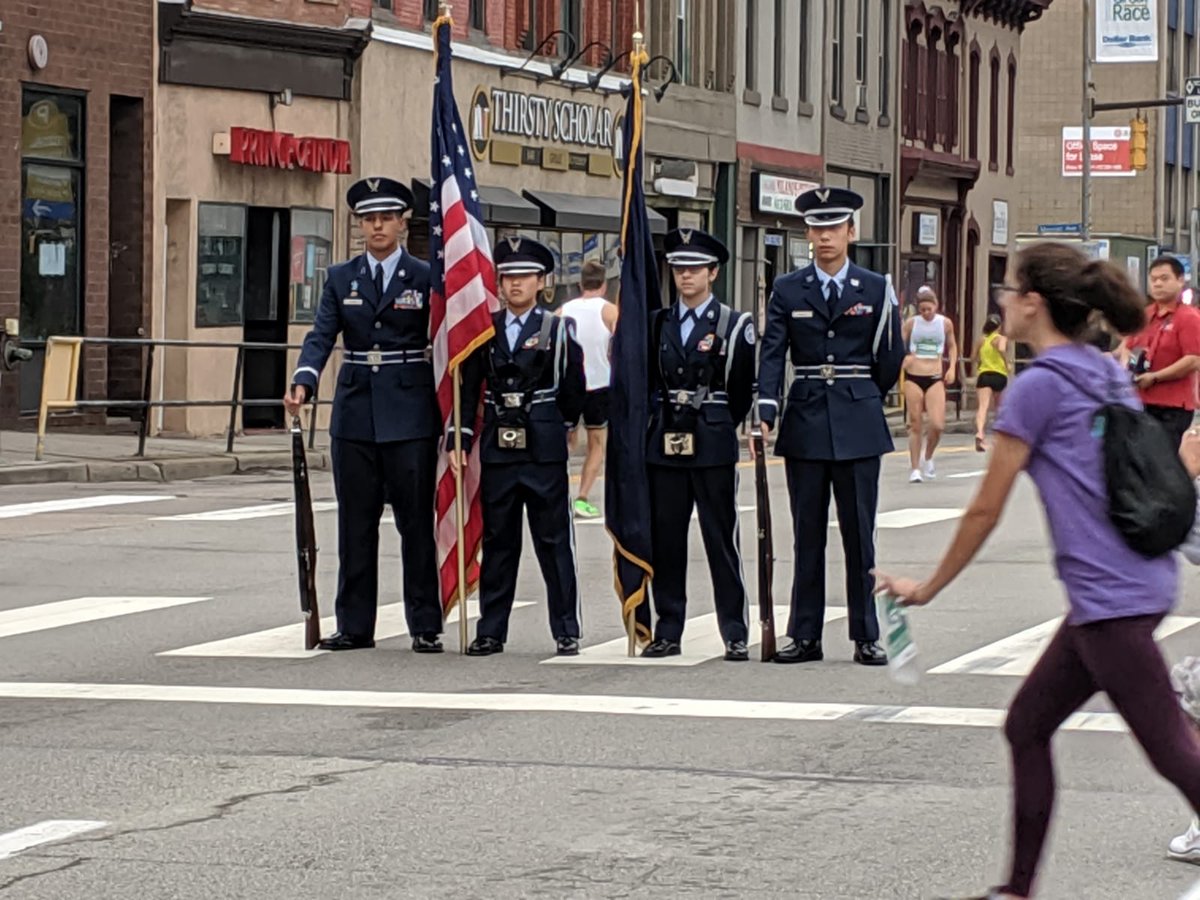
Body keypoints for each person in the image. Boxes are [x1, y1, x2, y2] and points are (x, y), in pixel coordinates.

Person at [876, 242, 1200, 900]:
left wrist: (928, 587)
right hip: (1125, 584)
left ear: (1033, 303)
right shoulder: (1101, 369)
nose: (1000, 300)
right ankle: (1016, 891)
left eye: (1008, 289)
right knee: (1027, 725)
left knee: (1173, 752)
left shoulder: (1039, 388)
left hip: (1114, 600)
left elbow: (984, 510)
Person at [285, 177, 444, 653]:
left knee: (415, 524)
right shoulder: (340, 278)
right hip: (355, 412)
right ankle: (354, 624)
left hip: (409, 410)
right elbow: (322, 333)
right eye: (368, 220)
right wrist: (305, 377)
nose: (377, 226)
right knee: (356, 523)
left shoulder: (425, 276)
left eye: (385, 218)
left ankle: (425, 623)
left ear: (401, 223)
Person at [755, 186, 906, 666]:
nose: (825, 237)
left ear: (851, 232)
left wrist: (864, 395)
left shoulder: (876, 287)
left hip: (858, 416)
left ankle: (866, 634)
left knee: (860, 533)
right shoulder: (787, 288)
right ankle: (805, 634)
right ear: (807, 234)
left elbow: (889, 357)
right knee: (808, 532)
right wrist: (766, 407)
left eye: (833, 228)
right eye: (817, 229)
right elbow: (774, 352)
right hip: (806, 418)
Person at [448, 236, 587, 657]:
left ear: (541, 281)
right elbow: (469, 389)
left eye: (524, 277)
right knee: (499, 542)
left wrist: (559, 424)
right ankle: (491, 630)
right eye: (507, 277)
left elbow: (573, 387)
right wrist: (461, 439)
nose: (514, 285)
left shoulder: (558, 330)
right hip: (498, 448)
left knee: (553, 542)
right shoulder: (484, 330)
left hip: (542, 447)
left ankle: (566, 628)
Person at [641, 228, 756, 660]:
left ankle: (734, 629)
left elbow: (741, 390)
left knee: (720, 538)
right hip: (667, 439)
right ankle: (668, 628)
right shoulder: (659, 323)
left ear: (713, 272)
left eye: (693, 269)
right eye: (678, 268)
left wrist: (718, 421)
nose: (685, 276)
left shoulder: (733, 324)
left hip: (710, 440)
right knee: (667, 538)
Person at [1118, 255, 1200, 447]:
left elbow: (1193, 359)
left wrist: (1155, 377)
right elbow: (1127, 347)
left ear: (1180, 280)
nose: (1157, 284)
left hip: (1171, 407)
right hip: (1139, 401)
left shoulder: (1188, 318)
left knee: (1161, 463)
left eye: (1164, 279)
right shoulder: (1145, 315)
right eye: (1153, 279)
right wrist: (1127, 370)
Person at [559, 260, 618, 519]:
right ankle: (582, 497)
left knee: (565, 440)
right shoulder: (610, 311)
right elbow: (619, 348)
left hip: (568, 385)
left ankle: (558, 492)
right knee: (597, 444)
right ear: (604, 285)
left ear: (580, 284)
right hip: (599, 383)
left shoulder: (562, 311)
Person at [902, 285, 958, 481]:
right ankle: (915, 468)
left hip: (934, 376)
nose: (926, 313)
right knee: (915, 422)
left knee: (937, 424)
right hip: (914, 376)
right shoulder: (911, 323)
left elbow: (952, 347)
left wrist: (951, 368)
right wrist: (905, 359)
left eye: (929, 309)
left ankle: (928, 457)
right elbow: (899, 347)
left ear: (936, 306)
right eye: (923, 309)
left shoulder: (945, 324)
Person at [974, 314, 1009, 452]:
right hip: (999, 374)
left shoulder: (981, 340)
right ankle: (998, 437)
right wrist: (1007, 363)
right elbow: (1001, 349)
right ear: (999, 326)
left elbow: (973, 357)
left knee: (983, 407)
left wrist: (980, 363)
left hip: (984, 374)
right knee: (999, 407)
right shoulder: (1001, 339)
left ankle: (980, 433)